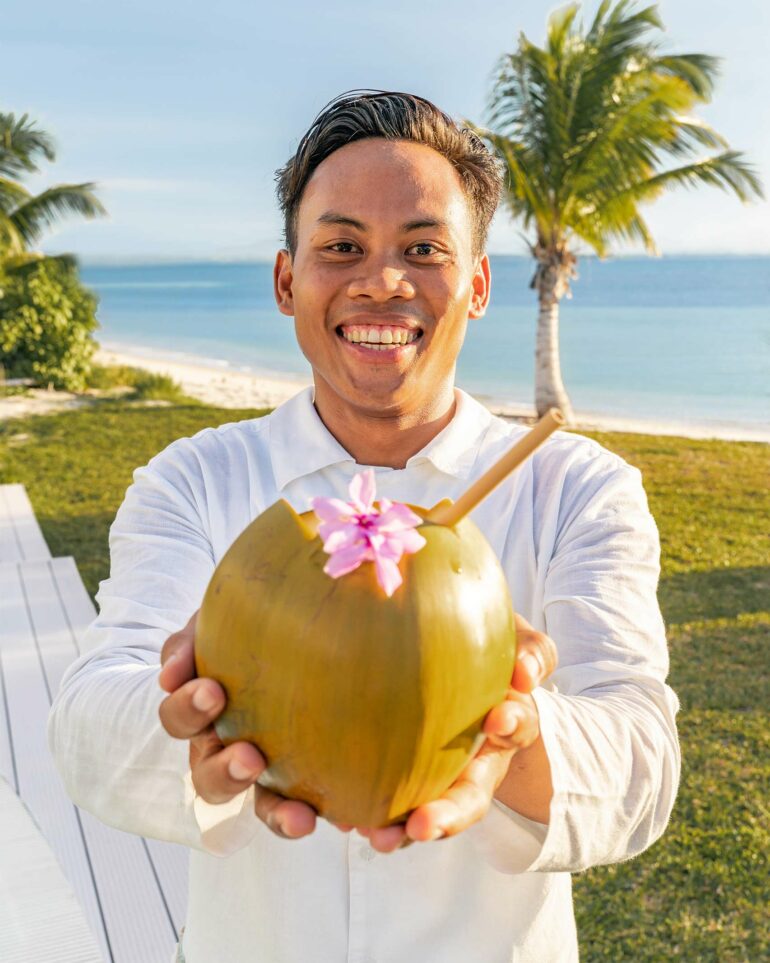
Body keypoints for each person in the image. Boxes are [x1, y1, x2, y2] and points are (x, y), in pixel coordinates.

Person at [48, 90, 680, 963]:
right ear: (287, 281)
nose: (383, 280)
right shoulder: (194, 481)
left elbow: (642, 757)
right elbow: (86, 723)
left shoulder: (576, 488)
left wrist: (513, 735)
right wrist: (198, 705)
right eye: (342, 247)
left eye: (424, 249)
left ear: (478, 286)